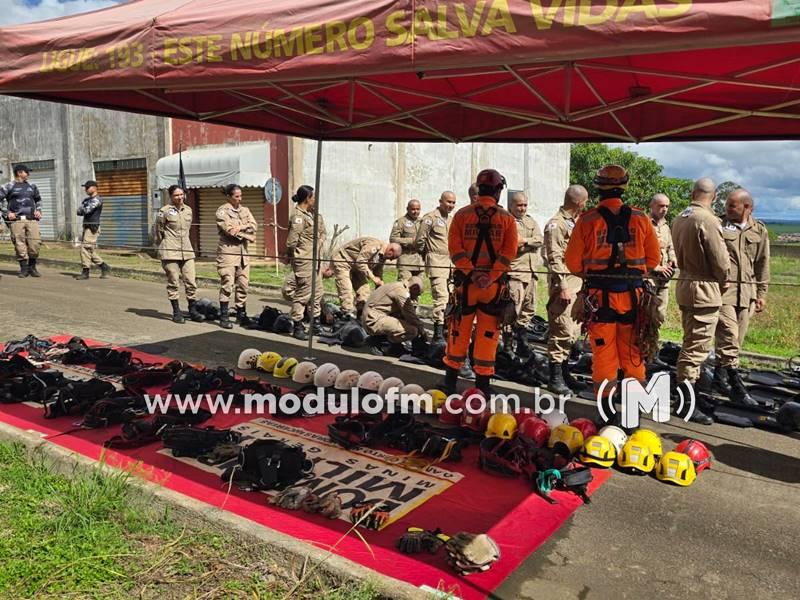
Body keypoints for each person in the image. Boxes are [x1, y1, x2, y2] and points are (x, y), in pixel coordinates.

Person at [565, 165, 661, 423]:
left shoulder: (587, 221)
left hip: (600, 300)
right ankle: (631, 419)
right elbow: (654, 258)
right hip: (634, 299)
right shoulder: (641, 219)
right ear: (624, 186)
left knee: (604, 357)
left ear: (598, 188)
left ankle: (606, 420)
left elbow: (573, 263)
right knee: (633, 356)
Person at [442, 169, 517, 396]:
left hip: (466, 286)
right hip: (492, 290)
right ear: (498, 191)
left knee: (457, 333)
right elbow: (509, 253)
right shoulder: (506, 219)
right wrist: (491, 276)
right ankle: (482, 388)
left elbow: (455, 250)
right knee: (487, 337)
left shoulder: (462, 216)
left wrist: (472, 274)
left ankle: (449, 385)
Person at [671, 177, 731, 424]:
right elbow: (720, 259)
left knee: (690, 342)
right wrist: (725, 277)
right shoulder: (707, 220)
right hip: (704, 288)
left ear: (693, 192)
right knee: (696, 349)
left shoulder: (679, 217)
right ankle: (686, 403)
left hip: (686, 284)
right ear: (714, 196)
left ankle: (690, 396)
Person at [711, 188, 769, 406]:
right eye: (726, 204)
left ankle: (720, 376)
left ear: (747, 207)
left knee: (737, 340)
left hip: (747, 294)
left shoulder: (759, 230)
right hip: (724, 291)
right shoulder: (719, 226)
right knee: (728, 335)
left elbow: (763, 263)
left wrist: (762, 293)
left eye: (732, 205)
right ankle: (736, 386)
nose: (727, 208)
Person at [543, 185, 588, 395]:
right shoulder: (556, 224)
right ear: (579, 202)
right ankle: (555, 377)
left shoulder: (576, 222)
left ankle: (564, 372)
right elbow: (554, 257)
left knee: (573, 333)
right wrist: (562, 286)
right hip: (564, 283)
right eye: (585, 202)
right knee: (562, 331)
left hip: (577, 282)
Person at [155, 185, 204, 323]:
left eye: (181, 194)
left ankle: (192, 310)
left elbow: (187, 230)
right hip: (170, 251)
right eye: (176, 195)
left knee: (191, 281)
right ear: (171, 196)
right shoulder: (163, 211)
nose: (180, 197)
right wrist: (165, 245)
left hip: (187, 250)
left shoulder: (188, 210)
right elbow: (158, 232)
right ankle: (176, 312)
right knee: (173, 282)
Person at [285, 185, 326, 340]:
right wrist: (293, 256)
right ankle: (297, 324)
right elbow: (291, 242)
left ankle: (315, 324)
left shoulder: (315, 215)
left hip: (316, 260)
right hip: (304, 260)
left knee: (317, 293)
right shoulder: (298, 217)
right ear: (307, 198)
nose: (315, 199)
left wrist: (319, 243)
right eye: (313, 197)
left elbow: (323, 232)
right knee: (303, 294)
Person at [415, 191, 457, 341]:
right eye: (448, 202)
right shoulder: (430, 218)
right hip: (437, 262)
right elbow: (420, 241)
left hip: (451, 263)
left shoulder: (452, 220)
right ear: (440, 201)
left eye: (453, 203)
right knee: (441, 297)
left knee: (452, 297)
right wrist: (427, 256)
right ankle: (438, 333)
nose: (451, 205)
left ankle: (446, 328)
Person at [216, 184, 258, 330]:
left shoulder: (245, 210)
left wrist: (240, 227)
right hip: (228, 252)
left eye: (241, 196)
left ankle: (241, 314)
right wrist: (248, 235)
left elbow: (254, 225)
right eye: (236, 196)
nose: (240, 199)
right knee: (227, 284)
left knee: (243, 285)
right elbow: (229, 231)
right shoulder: (222, 211)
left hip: (243, 253)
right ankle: (224, 316)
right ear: (229, 196)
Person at [507, 191, 544, 352]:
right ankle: (507, 345)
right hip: (515, 272)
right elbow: (512, 245)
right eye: (519, 205)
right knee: (512, 310)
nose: (522, 209)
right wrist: (527, 243)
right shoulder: (507, 222)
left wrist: (525, 242)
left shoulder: (531, 221)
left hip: (531, 271)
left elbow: (540, 239)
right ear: (511, 206)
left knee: (530, 308)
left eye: (525, 205)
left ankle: (521, 338)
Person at [332, 237, 402, 317]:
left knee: (364, 291)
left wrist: (380, 284)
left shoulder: (383, 255)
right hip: (343, 259)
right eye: (392, 257)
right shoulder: (374, 245)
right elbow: (360, 262)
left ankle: (361, 315)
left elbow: (378, 270)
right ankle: (346, 314)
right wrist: (373, 278)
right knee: (346, 289)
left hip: (357, 266)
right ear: (390, 250)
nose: (390, 260)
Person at [362, 276, 426, 355]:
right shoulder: (401, 292)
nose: (416, 297)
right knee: (412, 331)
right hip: (373, 320)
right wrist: (422, 331)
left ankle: (382, 340)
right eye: (417, 294)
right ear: (414, 288)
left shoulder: (397, 286)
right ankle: (383, 343)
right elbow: (410, 315)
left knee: (404, 320)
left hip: (372, 317)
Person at [0, 164, 43, 278]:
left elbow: (38, 199)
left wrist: (39, 210)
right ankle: (24, 268)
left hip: (31, 220)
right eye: (26, 172)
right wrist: (6, 213)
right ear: (19, 173)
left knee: (35, 243)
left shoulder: (32, 186)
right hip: (17, 221)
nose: (28, 174)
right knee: (19, 244)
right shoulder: (8, 186)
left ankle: (32, 267)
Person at [649, 193, 677, 329]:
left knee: (660, 315)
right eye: (661, 206)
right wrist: (655, 267)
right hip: (648, 277)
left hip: (664, 278)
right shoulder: (644, 224)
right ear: (652, 206)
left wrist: (673, 259)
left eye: (667, 206)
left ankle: (653, 345)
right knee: (646, 314)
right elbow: (638, 251)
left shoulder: (666, 226)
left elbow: (671, 247)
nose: (664, 209)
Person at [75, 180, 111, 280]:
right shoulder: (87, 200)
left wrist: (83, 208)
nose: (86, 189)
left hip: (93, 228)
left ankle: (85, 271)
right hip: (86, 227)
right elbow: (78, 211)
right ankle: (104, 266)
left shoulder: (98, 200)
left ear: (95, 188)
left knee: (85, 248)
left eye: (88, 187)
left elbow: (86, 210)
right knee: (88, 249)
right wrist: (83, 208)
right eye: (85, 188)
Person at [390, 199, 423, 282]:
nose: (415, 211)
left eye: (418, 209)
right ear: (407, 209)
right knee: (404, 286)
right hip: (406, 259)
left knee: (418, 287)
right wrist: (411, 241)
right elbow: (393, 239)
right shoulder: (401, 222)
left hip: (419, 261)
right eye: (413, 209)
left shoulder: (422, 222)